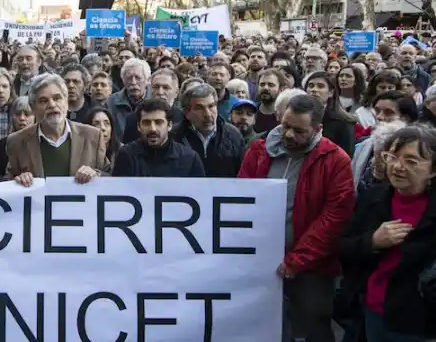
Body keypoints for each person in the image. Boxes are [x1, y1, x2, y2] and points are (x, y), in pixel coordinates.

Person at [239, 94, 354, 342]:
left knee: (313, 328)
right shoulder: (258, 150)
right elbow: (243, 198)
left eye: (299, 131)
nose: (289, 135)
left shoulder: (336, 161)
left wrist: (297, 260)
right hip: (262, 261)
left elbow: (333, 218)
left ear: (317, 129)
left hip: (312, 267)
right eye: (285, 126)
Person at [340, 125, 436, 340]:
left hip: (419, 322)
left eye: (411, 161)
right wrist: (372, 241)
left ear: (432, 170)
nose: (398, 166)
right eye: (392, 157)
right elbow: (344, 246)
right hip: (372, 311)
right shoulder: (374, 197)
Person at [5, 73, 108, 186]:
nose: (52, 105)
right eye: (43, 101)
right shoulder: (17, 142)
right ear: (33, 108)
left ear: (66, 102)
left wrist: (96, 174)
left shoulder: (93, 136)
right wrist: (18, 180)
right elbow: (8, 182)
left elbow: (111, 176)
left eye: (57, 98)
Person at [112, 98, 204, 177]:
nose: (153, 129)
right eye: (146, 123)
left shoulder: (189, 158)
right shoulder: (126, 155)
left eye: (158, 122)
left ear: (169, 126)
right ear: (138, 126)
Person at [171, 83, 244, 177]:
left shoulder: (233, 135)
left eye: (211, 106)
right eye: (199, 108)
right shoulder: (174, 136)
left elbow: (241, 175)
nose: (208, 114)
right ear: (187, 112)